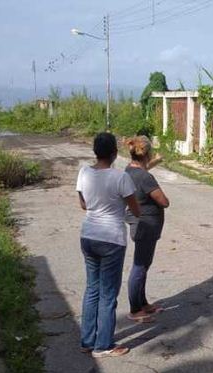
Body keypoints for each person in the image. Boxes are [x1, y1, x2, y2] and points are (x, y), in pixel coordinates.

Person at [76, 132, 140, 358]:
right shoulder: (120, 177)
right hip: (111, 239)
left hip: (88, 236)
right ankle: (103, 345)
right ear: (114, 153)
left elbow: (84, 204)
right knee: (108, 294)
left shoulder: (84, 172)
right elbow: (135, 209)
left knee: (92, 288)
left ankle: (87, 340)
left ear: (95, 152)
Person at [124, 136, 170, 322]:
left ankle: (142, 303)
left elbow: (142, 169)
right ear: (147, 153)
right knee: (140, 266)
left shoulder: (129, 171)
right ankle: (135, 309)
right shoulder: (145, 178)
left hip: (140, 224)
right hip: (146, 226)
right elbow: (163, 201)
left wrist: (155, 161)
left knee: (144, 265)